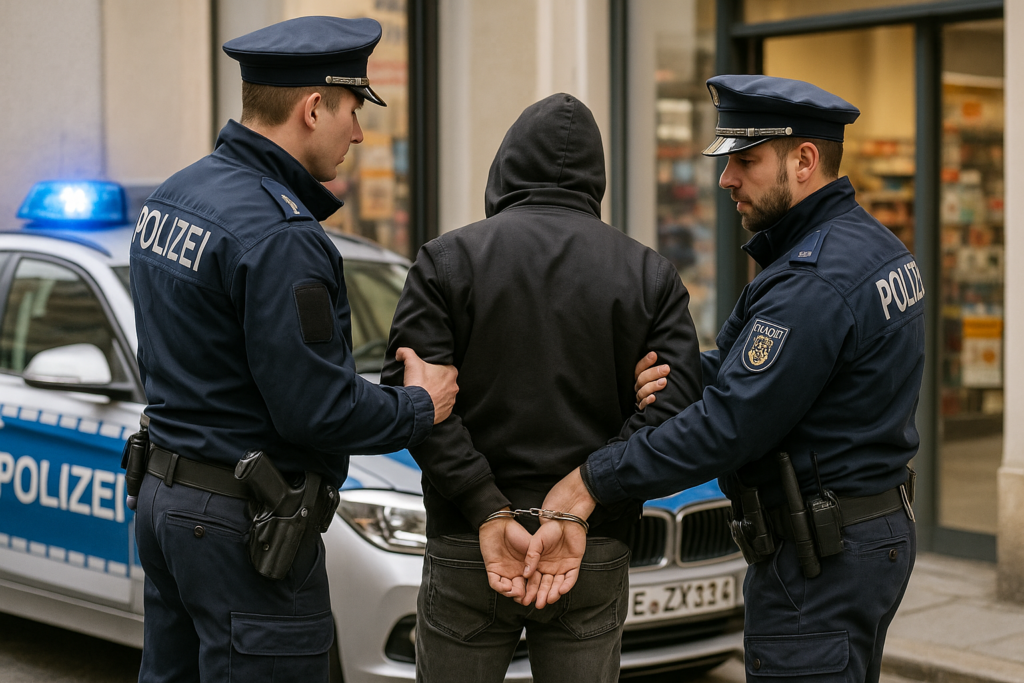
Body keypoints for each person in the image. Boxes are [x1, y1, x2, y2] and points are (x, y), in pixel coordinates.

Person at [536, 75, 925, 683]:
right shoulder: (871, 247)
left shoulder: (812, 281)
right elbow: (759, 368)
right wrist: (672, 376)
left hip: (817, 561)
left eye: (745, 161)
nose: (726, 180)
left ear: (803, 161)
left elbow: (729, 426)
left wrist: (592, 480)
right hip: (865, 536)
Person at [127, 16, 458, 682]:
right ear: (313, 108)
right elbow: (318, 411)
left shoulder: (175, 195)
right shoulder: (282, 237)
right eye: (354, 110)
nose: (359, 133)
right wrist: (422, 404)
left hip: (167, 501)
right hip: (241, 528)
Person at [379, 93, 702, 682]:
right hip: (590, 545)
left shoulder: (447, 260)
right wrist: (587, 495)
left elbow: (416, 403)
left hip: (469, 544)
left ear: (505, 167)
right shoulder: (648, 275)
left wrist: (484, 506)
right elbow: (675, 414)